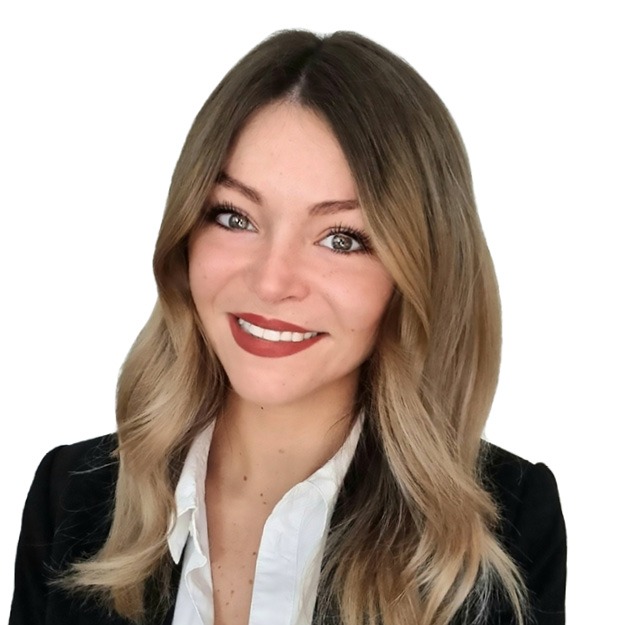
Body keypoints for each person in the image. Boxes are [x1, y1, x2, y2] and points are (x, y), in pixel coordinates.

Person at [9, 29, 566, 625]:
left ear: (419, 272)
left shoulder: (505, 527)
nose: (272, 282)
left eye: (341, 238)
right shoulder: (72, 499)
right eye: (235, 217)